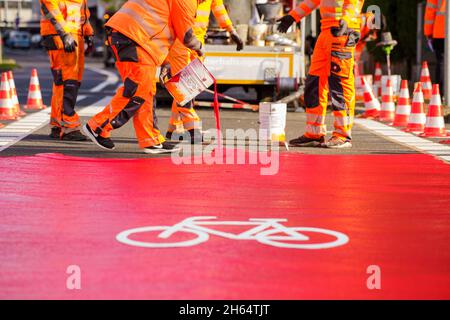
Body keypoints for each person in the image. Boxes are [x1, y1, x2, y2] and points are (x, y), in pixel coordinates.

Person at [82, 0, 206, 154]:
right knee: (137, 89)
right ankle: (97, 127)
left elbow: (167, 28)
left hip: (132, 36)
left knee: (146, 90)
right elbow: (186, 35)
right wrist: (200, 48)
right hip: (134, 37)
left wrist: (166, 62)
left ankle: (150, 140)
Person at [278, 0, 364, 149]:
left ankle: (342, 136)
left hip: (343, 31)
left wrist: (346, 19)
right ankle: (314, 134)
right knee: (315, 83)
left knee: (340, 86)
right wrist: (292, 16)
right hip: (326, 31)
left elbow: (353, 2)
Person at [164, 0, 244, 144]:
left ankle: (174, 128)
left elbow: (218, 8)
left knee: (191, 88)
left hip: (198, 43)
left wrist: (231, 30)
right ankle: (193, 129)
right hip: (180, 41)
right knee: (185, 88)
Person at [40, 0, 94, 140]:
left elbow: (82, 13)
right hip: (60, 36)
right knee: (67, 82)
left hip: (74, 36)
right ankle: (69, 127)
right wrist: (64, 34)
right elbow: (50, 9)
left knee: (66, 83)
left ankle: (58, 124)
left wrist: (88, 33)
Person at [424, 0, 446, 92]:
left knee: (441, 62)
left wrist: (428, 34)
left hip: (440, 32)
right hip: (440, 32)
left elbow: (430, 12)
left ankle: (439, 94)